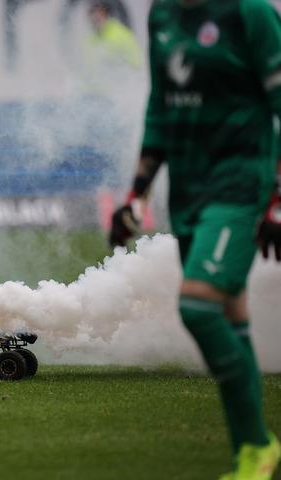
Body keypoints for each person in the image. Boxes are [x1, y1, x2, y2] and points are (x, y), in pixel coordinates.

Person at [109, 1, 281, 478]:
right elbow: (160, 108)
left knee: (199, 306)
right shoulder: (162, 15)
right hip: (187, 191)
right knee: (231, 311)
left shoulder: (251, 14)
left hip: (241, 184)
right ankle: (254, 453)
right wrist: (137, 194)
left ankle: (259, 443)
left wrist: (278, 197)